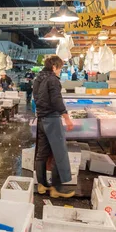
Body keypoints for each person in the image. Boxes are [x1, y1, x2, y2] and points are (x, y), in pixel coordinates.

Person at [33, 55, 75, 198]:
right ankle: (57, 189)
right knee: (59, 154)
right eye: (60, 69)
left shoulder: (38, 78)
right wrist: (67, 117)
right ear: (53, 67)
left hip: (41, 119)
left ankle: (42, 184)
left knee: (42, 153)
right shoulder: (53, 80)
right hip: (52, 119)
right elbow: (57, 100)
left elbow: (36, 98)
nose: (60, 72)